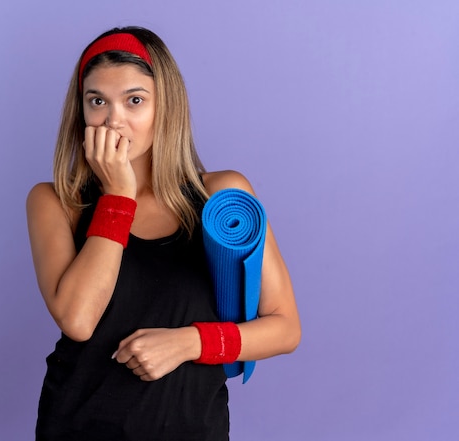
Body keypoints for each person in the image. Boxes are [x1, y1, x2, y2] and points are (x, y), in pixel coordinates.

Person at [26, 26, 301, 441]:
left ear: (164, 107)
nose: (113, 119)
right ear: (81, 110)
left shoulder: (222, 198)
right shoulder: (55, 202)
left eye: (134, 100)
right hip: (78, 425)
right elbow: (78, 321)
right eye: (96, 100)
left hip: (193, 427)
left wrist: (189, 343)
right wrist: (119, 196)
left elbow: (285, 328)